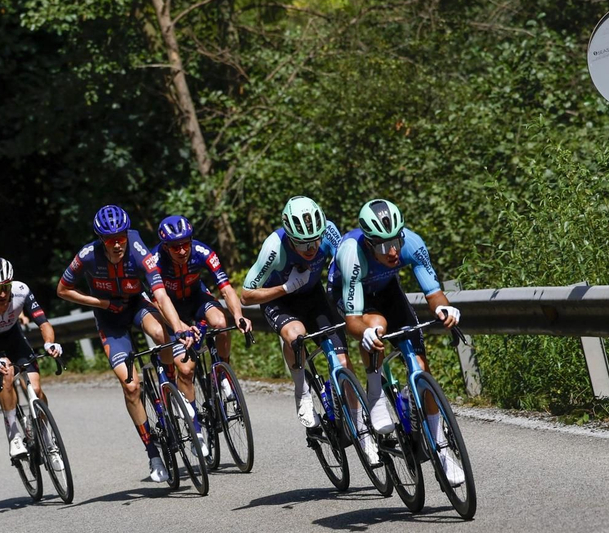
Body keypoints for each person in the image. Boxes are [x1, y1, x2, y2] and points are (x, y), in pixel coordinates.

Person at [56, 203, 190, 483]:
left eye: (121, 237)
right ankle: (153, 454)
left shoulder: (138, 249)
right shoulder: (87, 256)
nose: (118, 244)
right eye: (110, 240)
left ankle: (169, 387)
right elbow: (63, 289)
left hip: (136, 305)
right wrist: (101, 302)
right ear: (100, 239)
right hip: (109, 318)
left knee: (160, 335)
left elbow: (161, 296)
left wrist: (177, 327)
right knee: (131, 386)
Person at [335, 198, 465, 485]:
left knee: (419, 364)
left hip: (387, 290)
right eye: (383, 246)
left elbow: (433, 292)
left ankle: (442, 451)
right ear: (369, 244)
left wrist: (443, 307)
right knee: (376, 327)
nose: (392, 251)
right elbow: (353, 320)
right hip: (352, 298)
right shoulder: (351, 254)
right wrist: (364, 333)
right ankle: (375, 392)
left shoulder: (412, 243)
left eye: (395, 241)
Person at [240, 195, 347, 430]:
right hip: (280, 300)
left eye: (314, 241)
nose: (310, 248)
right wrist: (287, 287)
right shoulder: (274, 247)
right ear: (289, 237)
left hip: (313, 294)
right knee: (296, 336)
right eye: (301, 243)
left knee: (342, 360)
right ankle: (302, 392)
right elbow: (246, 295)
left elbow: (344, 261)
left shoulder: (328, 230)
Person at [152, 214, 251, 446]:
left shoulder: (202, 251)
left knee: (220, 321)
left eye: (186, 244)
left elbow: (225, 288)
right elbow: (158, 301)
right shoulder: (155, 260)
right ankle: (194, 424)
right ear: (165, 247)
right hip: (170, 309)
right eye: (175, 247)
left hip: (196, 298)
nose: (182, 251)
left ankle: (222, 373)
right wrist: (179, 326)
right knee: (185, 371)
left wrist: (238, 315)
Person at [0, 258, 64, 459]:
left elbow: (43, 323)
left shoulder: (21, 290)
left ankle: (44, 433)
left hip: (14, 338)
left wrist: (49, 343)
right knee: (7, 372)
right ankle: (14, 436)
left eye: (6, 287)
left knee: (35, 389)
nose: (3, 293)